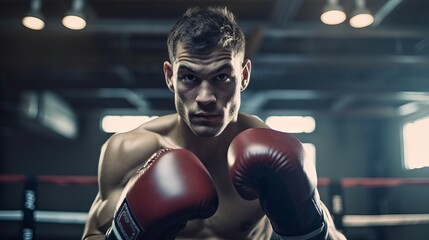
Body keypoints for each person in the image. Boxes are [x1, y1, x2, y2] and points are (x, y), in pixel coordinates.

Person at [82, 6, 346, 240]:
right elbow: (93, 234)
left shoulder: (274, 152)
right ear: (169, 76)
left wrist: (307, 227)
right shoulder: (128, 152)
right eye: (189, 77)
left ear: (243, 76)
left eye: (221, 77)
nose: (205, 97)